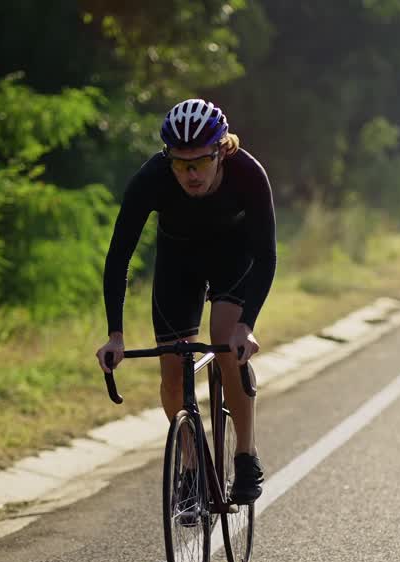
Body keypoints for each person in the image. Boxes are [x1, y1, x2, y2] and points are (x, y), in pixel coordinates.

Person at [97, 98, 276, 503]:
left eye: (199, 162)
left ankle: (246, 456)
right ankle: (192, 469)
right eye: (180, 163)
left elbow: (266, 256)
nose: (190, 174)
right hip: (179, 261)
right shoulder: (153, 178)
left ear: (221, 150)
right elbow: (119, 257)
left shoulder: (247, 172)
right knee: (173, 372)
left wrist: (247, 326)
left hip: (234, 257)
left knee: (226, 341)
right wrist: (115, 334)